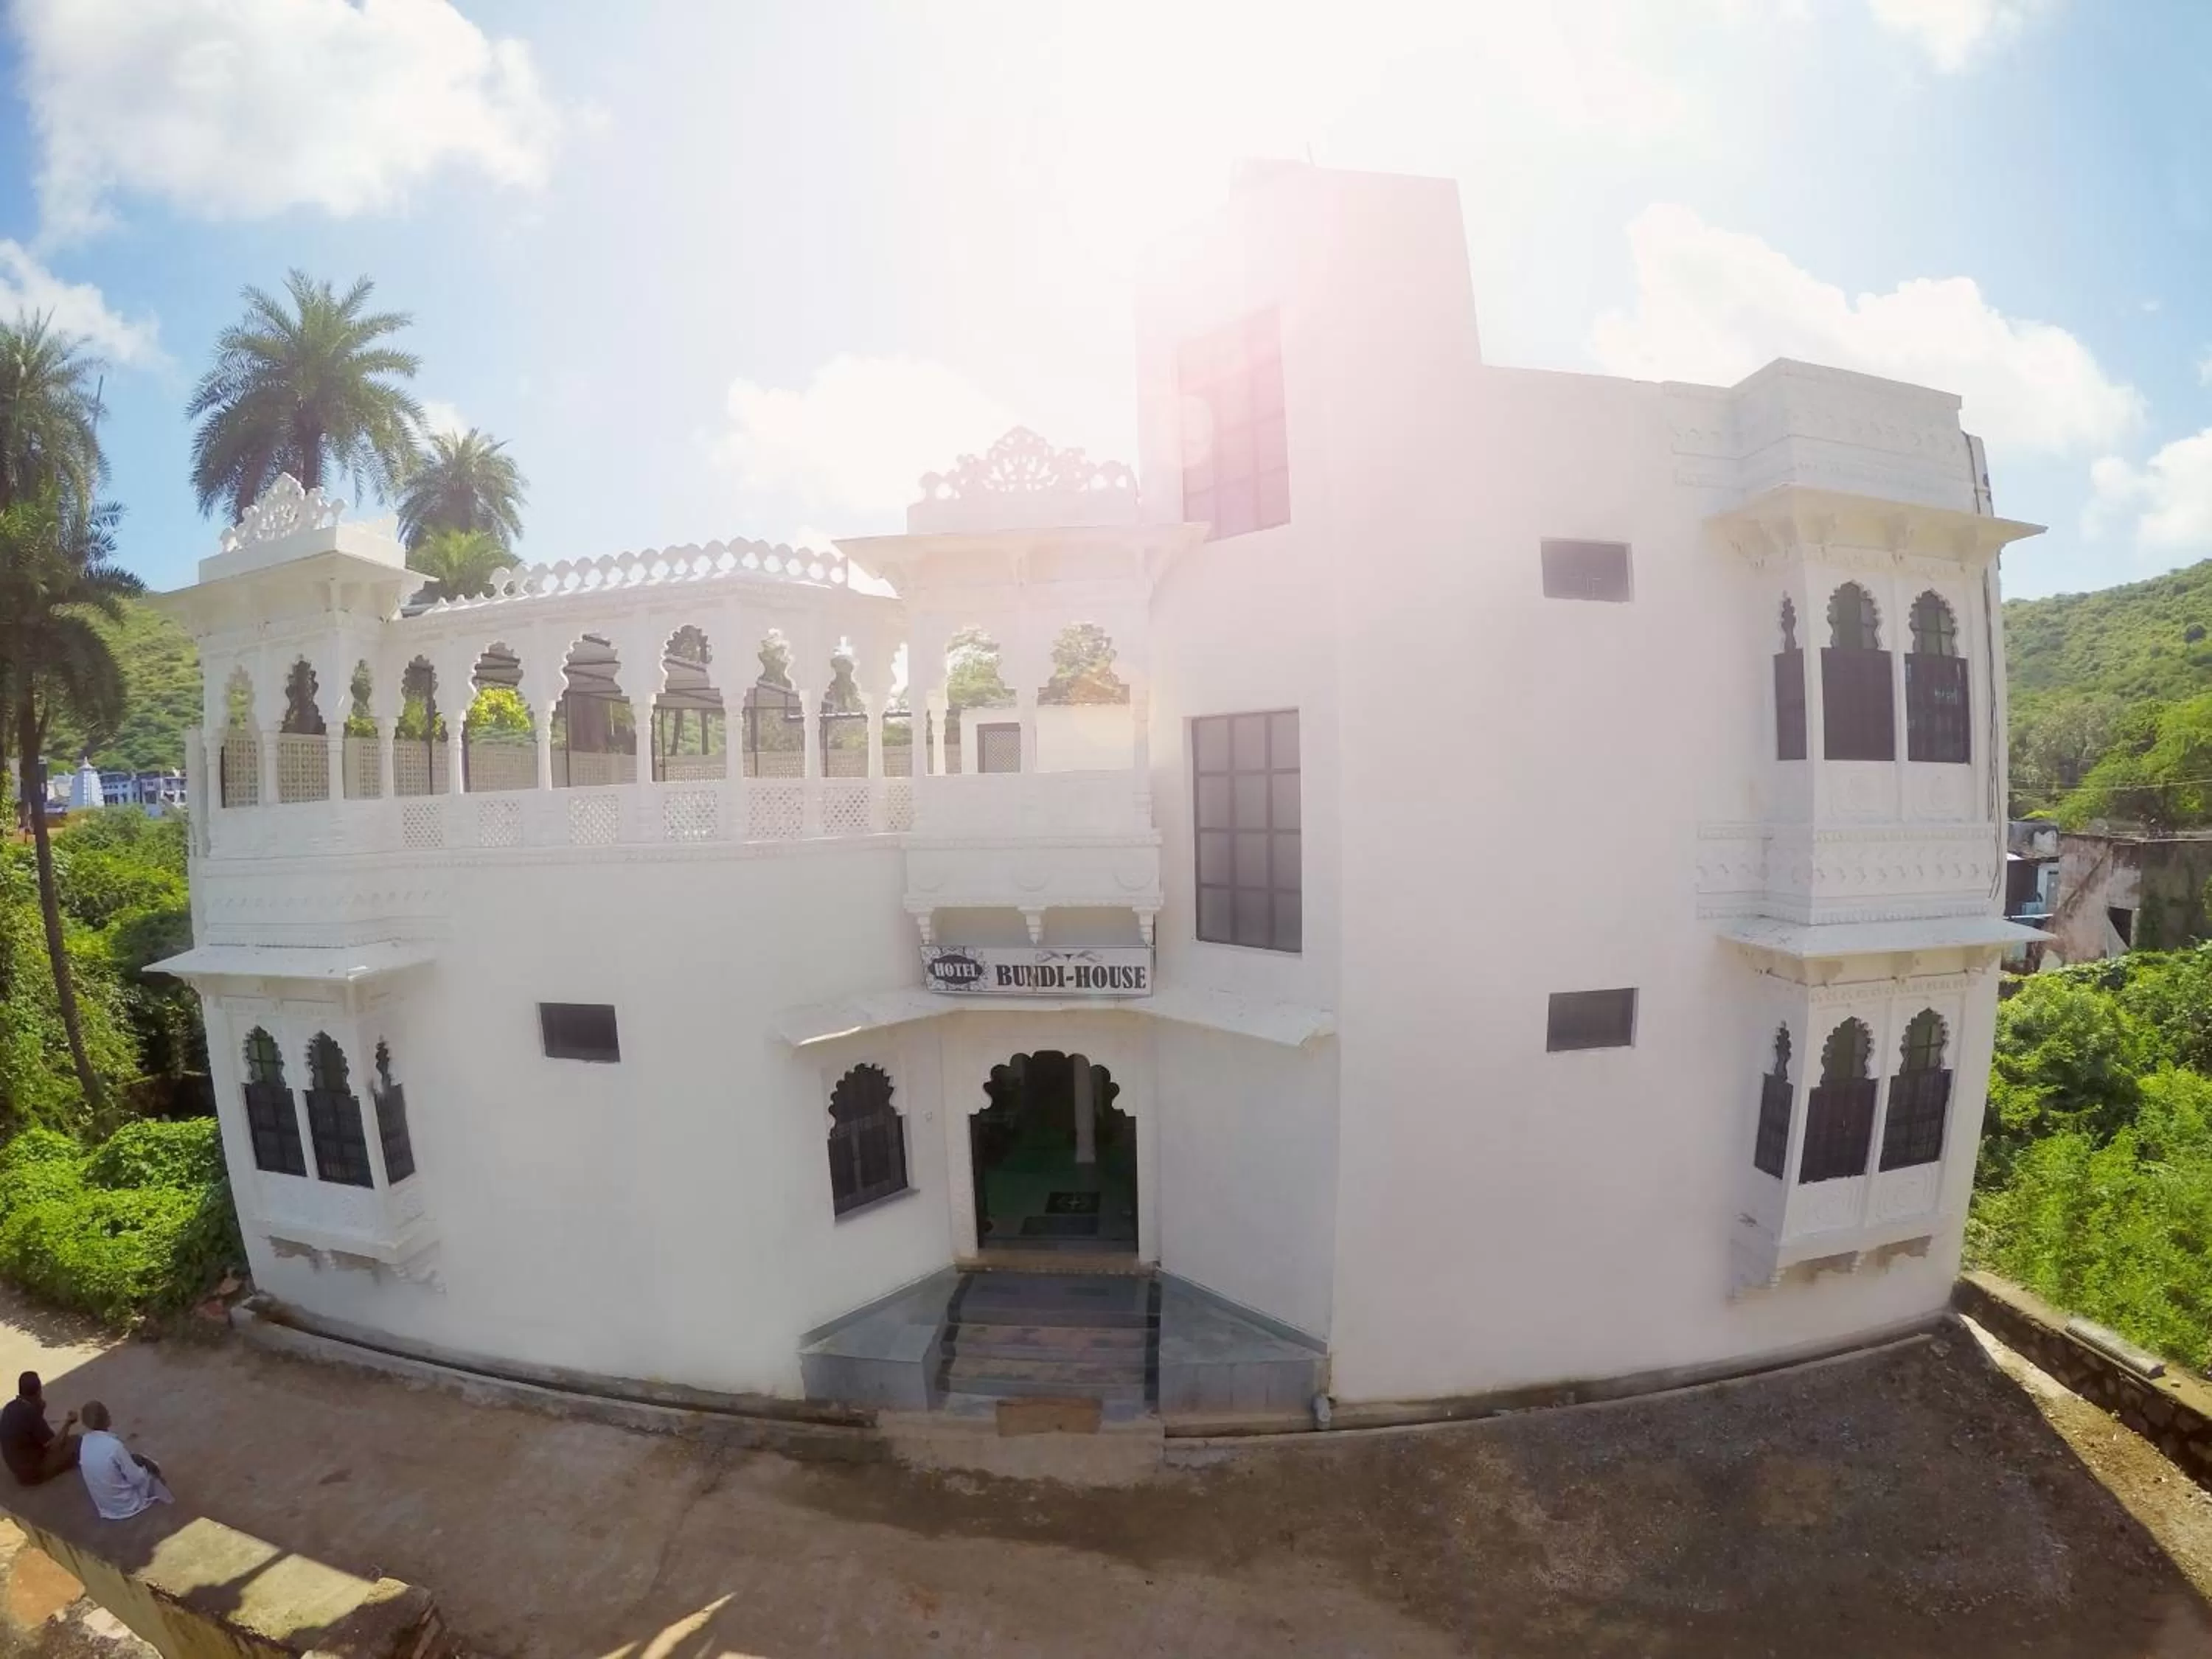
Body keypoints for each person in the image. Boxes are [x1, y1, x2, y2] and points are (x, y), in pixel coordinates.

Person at [74, 1402, 170, 1521]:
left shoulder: (85, 1443)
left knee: (132, 1460)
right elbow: (137, 1479)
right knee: (151, 1470)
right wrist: (147, 1467)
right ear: (106, 1419)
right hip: (126, 1505)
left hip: (105, 1507)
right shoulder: (114, 1446)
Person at [0, 1372, 78, 1486]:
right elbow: (55, 1445)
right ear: (38, 1391)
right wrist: (69, 1423)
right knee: (76, 1443)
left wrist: (39, 1409)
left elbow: (30, 1429)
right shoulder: (31, 1414)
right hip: (33, 1472)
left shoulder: (10, 1406)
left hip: (17, 1466)